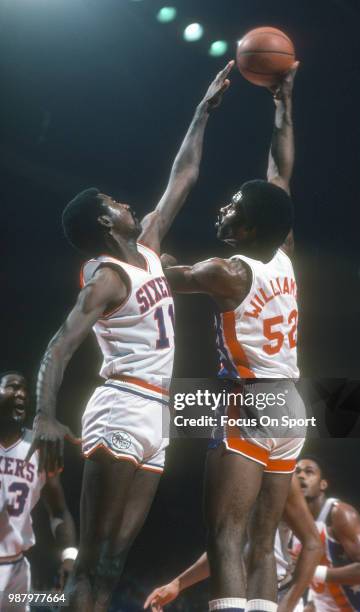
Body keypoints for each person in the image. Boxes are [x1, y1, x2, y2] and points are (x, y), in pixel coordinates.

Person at [26, 61, 234, 612]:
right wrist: (45, 414)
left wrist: (201, 113)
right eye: (113, 203)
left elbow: (182, 179)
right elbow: (60, 342)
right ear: (102, 223)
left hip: (157, 414)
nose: (124, 203)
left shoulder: (145, 245)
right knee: (92, 561)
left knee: (114, 564)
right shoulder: (105, 274)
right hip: (120, 405)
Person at [162, 63, 305, 612]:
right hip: (292, 405)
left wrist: (166, 262)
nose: (223, 210)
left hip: (249, 399)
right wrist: (283, 104)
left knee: (224, 534)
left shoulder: (226, 271)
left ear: (245, 229)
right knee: (263, 545)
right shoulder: (285, 254)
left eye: (232, 209)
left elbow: (159, 276)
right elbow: (280, 174)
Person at [144, 474, 322, 611]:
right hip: (236, 593)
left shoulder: (282, 476)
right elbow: (227, 548)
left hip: (275, 594)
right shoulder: (233, 475)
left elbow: (313, 544)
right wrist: (178, 583)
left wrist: (286, 608)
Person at [0, 371, 77, 612]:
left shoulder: (40, 449)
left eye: (25, 389)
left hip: (16, 570)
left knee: (62, 601)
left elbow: (59, 510)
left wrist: (69, 557)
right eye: (12, 387)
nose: (21, 393)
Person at [294, 457, 360, 611]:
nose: (301, 476)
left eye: (309, 472)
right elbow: (318, 583)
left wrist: (310, 571)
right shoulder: (294, 521)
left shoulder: (339, 513)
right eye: (296, 473)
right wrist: (310, 603)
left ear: (322, 484)